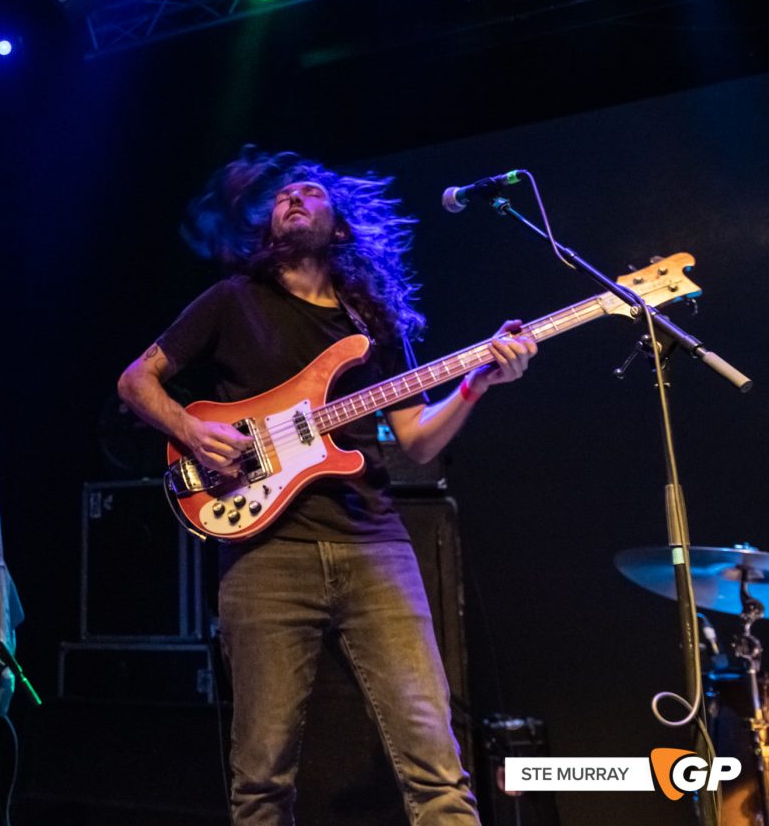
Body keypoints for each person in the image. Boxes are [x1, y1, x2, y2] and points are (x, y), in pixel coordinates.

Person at [117, 146, 537, 825]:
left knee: (436, 765)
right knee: (261, 777)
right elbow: (137, 379)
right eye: (284, 195)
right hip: (265, 554)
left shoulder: (371, 324)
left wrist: (475, 382)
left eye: (310, 192)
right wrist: (192, 431)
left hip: (374, 543)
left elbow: (417, 440)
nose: (292, 197)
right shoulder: (232, 300)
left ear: (339, 226)